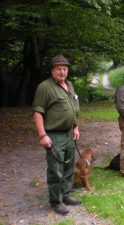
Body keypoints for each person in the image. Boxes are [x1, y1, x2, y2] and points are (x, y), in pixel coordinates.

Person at [32, 54, 81, 216]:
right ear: (52, 70)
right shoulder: (45, 87)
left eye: (65, 68)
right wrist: (42, 135)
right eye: (58, 69)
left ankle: (66, 195)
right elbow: (38, 113)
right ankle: (55, 201)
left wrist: (75, 127)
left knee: (68, 167)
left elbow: (73, 108)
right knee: (55, 170)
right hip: (54, 135)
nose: (62, 72)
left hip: (69, 134)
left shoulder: (69, 85)